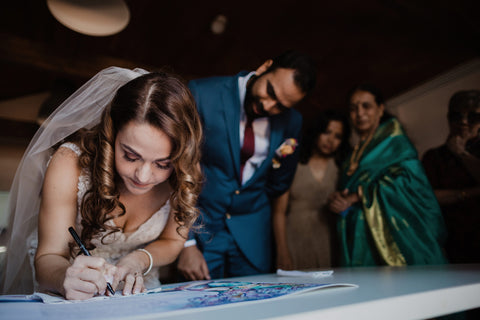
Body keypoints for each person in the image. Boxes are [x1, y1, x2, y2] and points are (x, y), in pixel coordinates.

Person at [0, 67, 203, 299]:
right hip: (70, 294)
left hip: (139, 292)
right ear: (111, 134)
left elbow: (172, 241)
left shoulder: (185, 171)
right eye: (131, 156)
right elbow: (48, 256)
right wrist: (64, 277)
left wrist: (139, 259)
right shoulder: (70, 162)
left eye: (163, 163)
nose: (143, 176)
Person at [177, 50, 317, 280]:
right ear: (264, 67)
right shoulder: (202, 94)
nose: (268, 106)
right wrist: (186, 242)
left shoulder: (293, 122)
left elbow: (280, 181)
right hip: (203, 228)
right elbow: (178, 170)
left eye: (281, 106)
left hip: (253, 234)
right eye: (270, 91)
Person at [327, 84, 447, 266]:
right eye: (353, 108)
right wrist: (339, 198)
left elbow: (408, 181)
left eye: (366, 106)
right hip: (359, 236)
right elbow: (348, 188)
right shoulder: (352, 153)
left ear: (380, 109)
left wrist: (357, 195)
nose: (359, 113)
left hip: (389, 236)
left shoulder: (395, 141)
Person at [273, 109, 350, 270]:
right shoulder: (293, 160)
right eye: (327, 132)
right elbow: (278, 211)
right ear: (317, 130)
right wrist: (282, 251)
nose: (330, 140)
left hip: (330, 239)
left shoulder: (342, 165)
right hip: (294, 236)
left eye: (337, 136)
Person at [422, 90, 480, 263]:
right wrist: (472, 192)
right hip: (455, 244)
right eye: (457, 116)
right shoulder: (434, 157)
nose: (463, 122)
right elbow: (427, 198)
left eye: (472, 116)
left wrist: (461, 154)